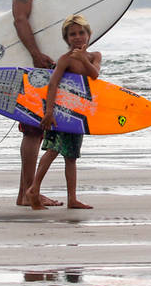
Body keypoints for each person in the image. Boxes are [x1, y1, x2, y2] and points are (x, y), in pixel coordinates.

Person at [13, 0, 117, 207]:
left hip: (62, 64)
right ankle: (25, 193)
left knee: (52, 127)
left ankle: (30, 191)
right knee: (32, 127)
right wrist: (34, 53)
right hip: (35, 63)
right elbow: (20, 20)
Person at [27, 14, 101, 210]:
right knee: (53, 150)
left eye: (81, 33)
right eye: (72, 34)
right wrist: (49, 112)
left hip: (78, 114)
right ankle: (33, 190)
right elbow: (52, 84)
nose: (77, 37)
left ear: (89, 34)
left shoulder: (95, 56)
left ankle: (72, 199)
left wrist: (83, 59)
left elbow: (95, 75)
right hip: (60, 111)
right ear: (66, 39)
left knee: (71, 156)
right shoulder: (64, 60)